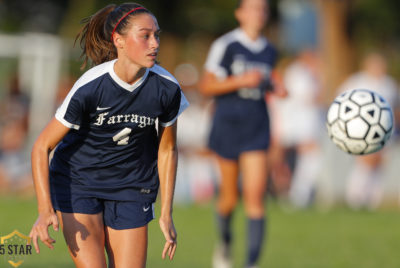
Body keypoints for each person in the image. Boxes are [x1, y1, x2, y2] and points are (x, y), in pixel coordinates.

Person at [29, 3, 188, 267]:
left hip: (132, 188)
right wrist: (45, 209)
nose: (154, 43)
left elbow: (167, 150)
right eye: (145, 35)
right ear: (119, 40)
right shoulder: (91, 86)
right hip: (79, 184)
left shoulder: (166, 88)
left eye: (157, 35)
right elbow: (41, 146)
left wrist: (166, 214)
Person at [199, 0, 286, 267]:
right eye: (252, 8)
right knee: (228, 197)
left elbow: (269, 81)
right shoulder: (226, 45)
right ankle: (224, 242)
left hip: (256, 127)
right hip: (227, 126)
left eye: (263, 9)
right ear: (239, 13)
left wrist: (277, 87)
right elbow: (207, 86)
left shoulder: (270, 50)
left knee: (255, 196)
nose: (258, 14)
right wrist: (240, 80)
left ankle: (251, 262)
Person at [336, 52, 399, 210]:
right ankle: (355, 198)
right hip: (362, 132)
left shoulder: (389, 84)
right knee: (364, 164)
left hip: (386, 132)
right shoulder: (357, 81)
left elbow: (396, 108)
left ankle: (372, 200)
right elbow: (340, 102)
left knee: (380, 165)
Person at [269, 49, 324, 208]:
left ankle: (298, 196)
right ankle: (291, 195)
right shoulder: (299, 73)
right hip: (296, 125)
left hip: (303, 125)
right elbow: (308, 98)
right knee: (285, 161)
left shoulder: (308, 73)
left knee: (308, 160)